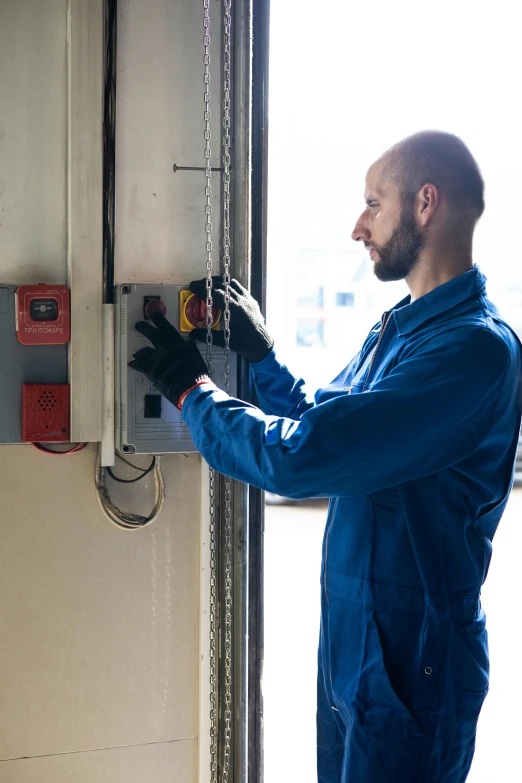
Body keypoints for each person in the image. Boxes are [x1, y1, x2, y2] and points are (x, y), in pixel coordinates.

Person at [130, 131, 522, 783]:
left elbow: (303, 455)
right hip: (359, 643)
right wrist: (262, 358)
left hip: (415, 658)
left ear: (426, 203)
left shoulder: (470, 352)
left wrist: (192, 391)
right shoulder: (403, 329)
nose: (357, 227)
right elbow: (330, 420)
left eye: (374, 203)